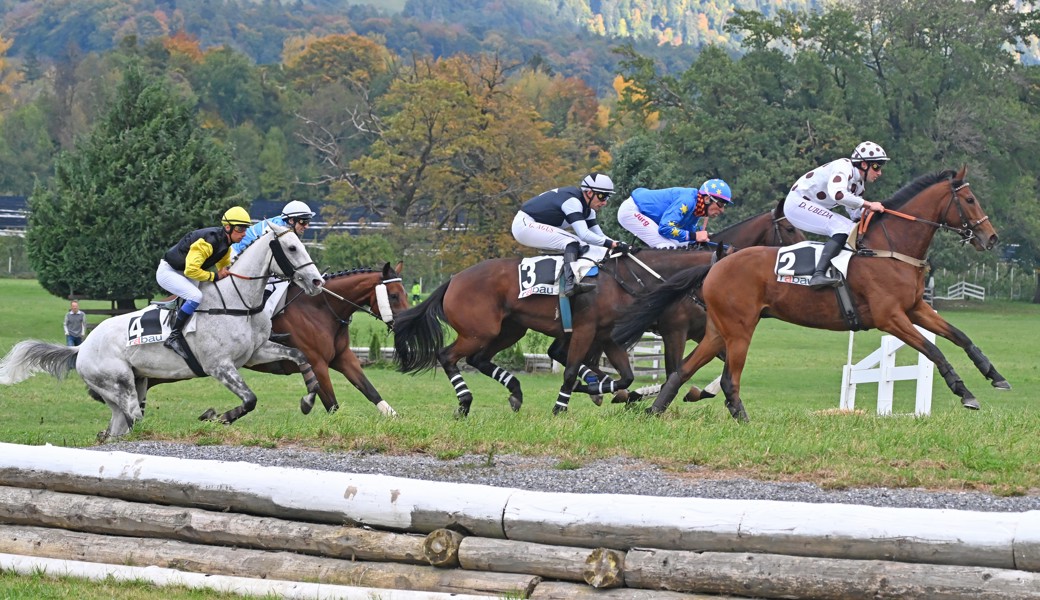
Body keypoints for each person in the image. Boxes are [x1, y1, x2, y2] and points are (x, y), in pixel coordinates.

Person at [784, 141, 888, 289]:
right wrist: (869, 205)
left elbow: (855, 215)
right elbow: (838, 195)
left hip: (807, 206)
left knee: (851, 228)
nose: (879, 173)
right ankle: (818, 275)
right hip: (797, 204)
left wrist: (875, 216)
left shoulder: (859, 185)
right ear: (864, 164)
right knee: (842, 228)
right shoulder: (843, 166)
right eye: (876, 167)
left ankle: (839, 271)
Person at [511, 172, 630, 297]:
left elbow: (600, 237)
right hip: (524, 224)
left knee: (583, 245)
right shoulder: (573, 202)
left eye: (607, 197)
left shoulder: (589, 211)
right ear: (590, 193)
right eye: (602, 196)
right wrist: (612, 244)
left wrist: (620, 244)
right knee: (573, 242)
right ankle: (570, 284)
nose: (605, 202)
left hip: (533, 224)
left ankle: (568, 278)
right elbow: (584, 235)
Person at [156, 206, 251, 360]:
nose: (244, 233)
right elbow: (191, 271)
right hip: (169, 272)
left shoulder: (226, 245)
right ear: (228, 227)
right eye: (240, 228)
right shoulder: (209, 241)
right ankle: (173, 337)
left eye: (245, 228)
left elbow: (224, 265)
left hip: (184, 272)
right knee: (195, 296)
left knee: (208, 295)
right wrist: (215, 276)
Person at [617, 179, 733, 248]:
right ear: (707, 199)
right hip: (632, 211)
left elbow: (689, 237)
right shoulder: (687, 201)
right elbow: (665, 228)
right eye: (720, 204)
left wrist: (703, 237)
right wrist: (695, 236)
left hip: (645, 214)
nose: (722, 210)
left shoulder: (698, 208)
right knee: (668, 247)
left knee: (683, 246)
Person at [231, 200, 314, 255]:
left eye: (308, 222)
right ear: (291, 220)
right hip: (236, 252)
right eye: (303, 222)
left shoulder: (285, 226)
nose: (306, 226)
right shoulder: (278, 228)